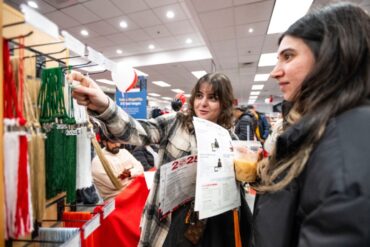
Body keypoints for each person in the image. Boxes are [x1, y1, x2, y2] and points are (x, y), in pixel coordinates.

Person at [70, 72, 252, 246]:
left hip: (210, 230)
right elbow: (135, 131)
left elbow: (240, 190)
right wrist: (104, 105)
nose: (203, 103)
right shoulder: (176, 123)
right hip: (169, 226)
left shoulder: (229, 139)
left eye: (212, 98)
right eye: (199, 95)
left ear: (224, 103)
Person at [247, 3, 370, 246]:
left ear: (331, 56)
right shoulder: (322, 128)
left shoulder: (345, 148)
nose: (275, 72)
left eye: (288, 56)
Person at [91, 134, 144, 200]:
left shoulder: (124, 152)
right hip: (116, 200)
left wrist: (129, 173)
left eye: (118, 141)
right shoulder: (98, 161)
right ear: (104, 142)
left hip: (134, 191)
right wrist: (133, 176)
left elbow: (141, 168)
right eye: (113, 142)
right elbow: (116, 184)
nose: (117, 145)